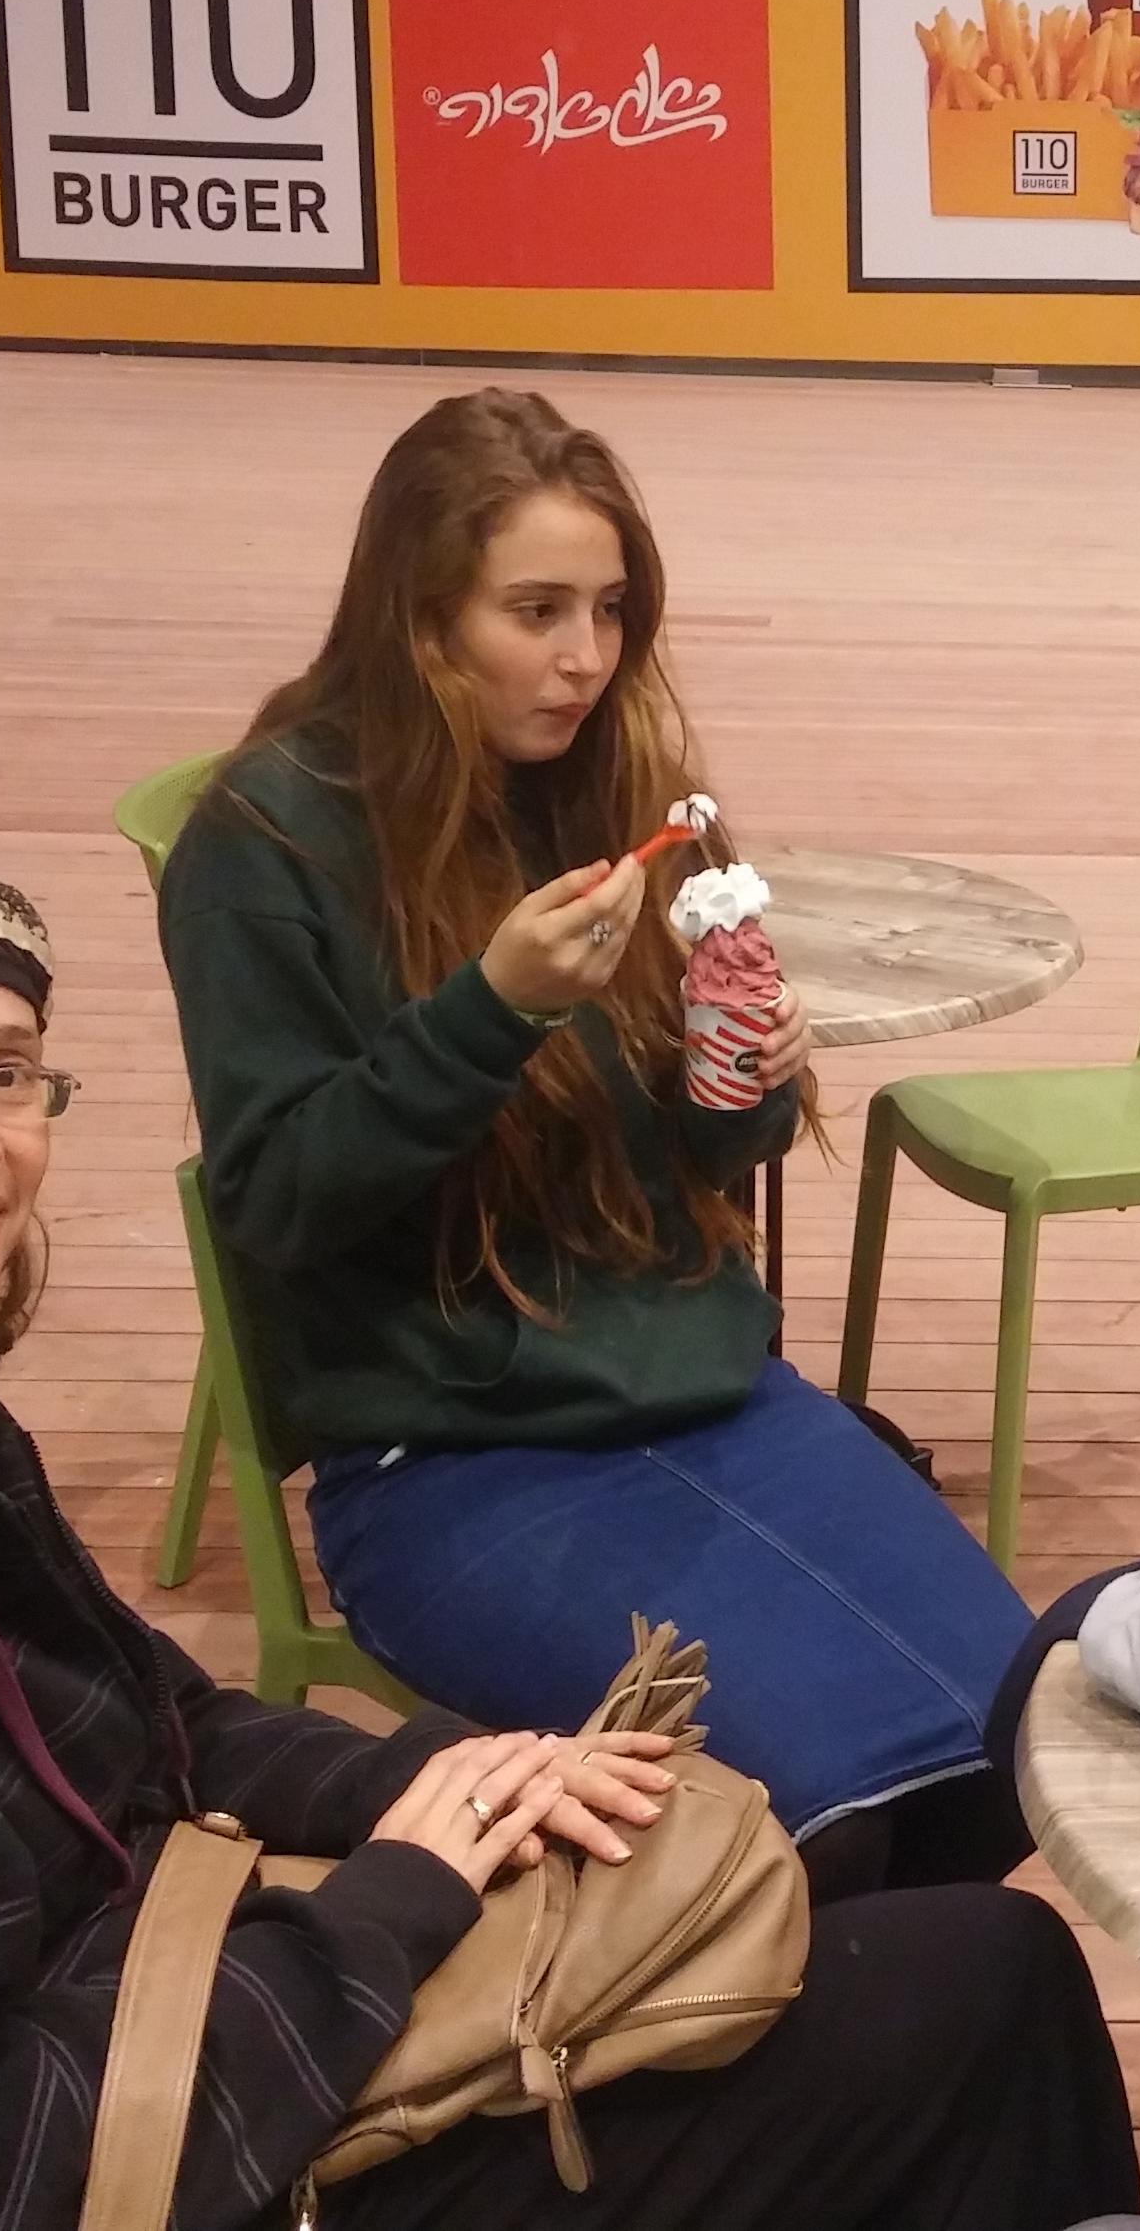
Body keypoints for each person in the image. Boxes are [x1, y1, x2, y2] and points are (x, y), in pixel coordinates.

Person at [0, 845, 1140, 2231]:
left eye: (8, 1076)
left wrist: (435, 1783)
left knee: (951, 1970)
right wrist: (398, 1903)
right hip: (122, 2156)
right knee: (974, 2002)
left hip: (163, 2027)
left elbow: (148, 1722)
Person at [159, 387, 1035, 1900]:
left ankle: (890, 2033)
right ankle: (775, 2038)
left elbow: (713, 1154)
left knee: (1018, 1749)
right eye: (537, 611)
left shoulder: (622, 792)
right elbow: (278, 1197)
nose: (587, 657)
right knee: (817, 1820)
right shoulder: (270, 841)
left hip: (707, 1393)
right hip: (446, 1459)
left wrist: (745, 1080)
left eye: (612, 609)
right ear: (417, 616)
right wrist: (487, 1011)